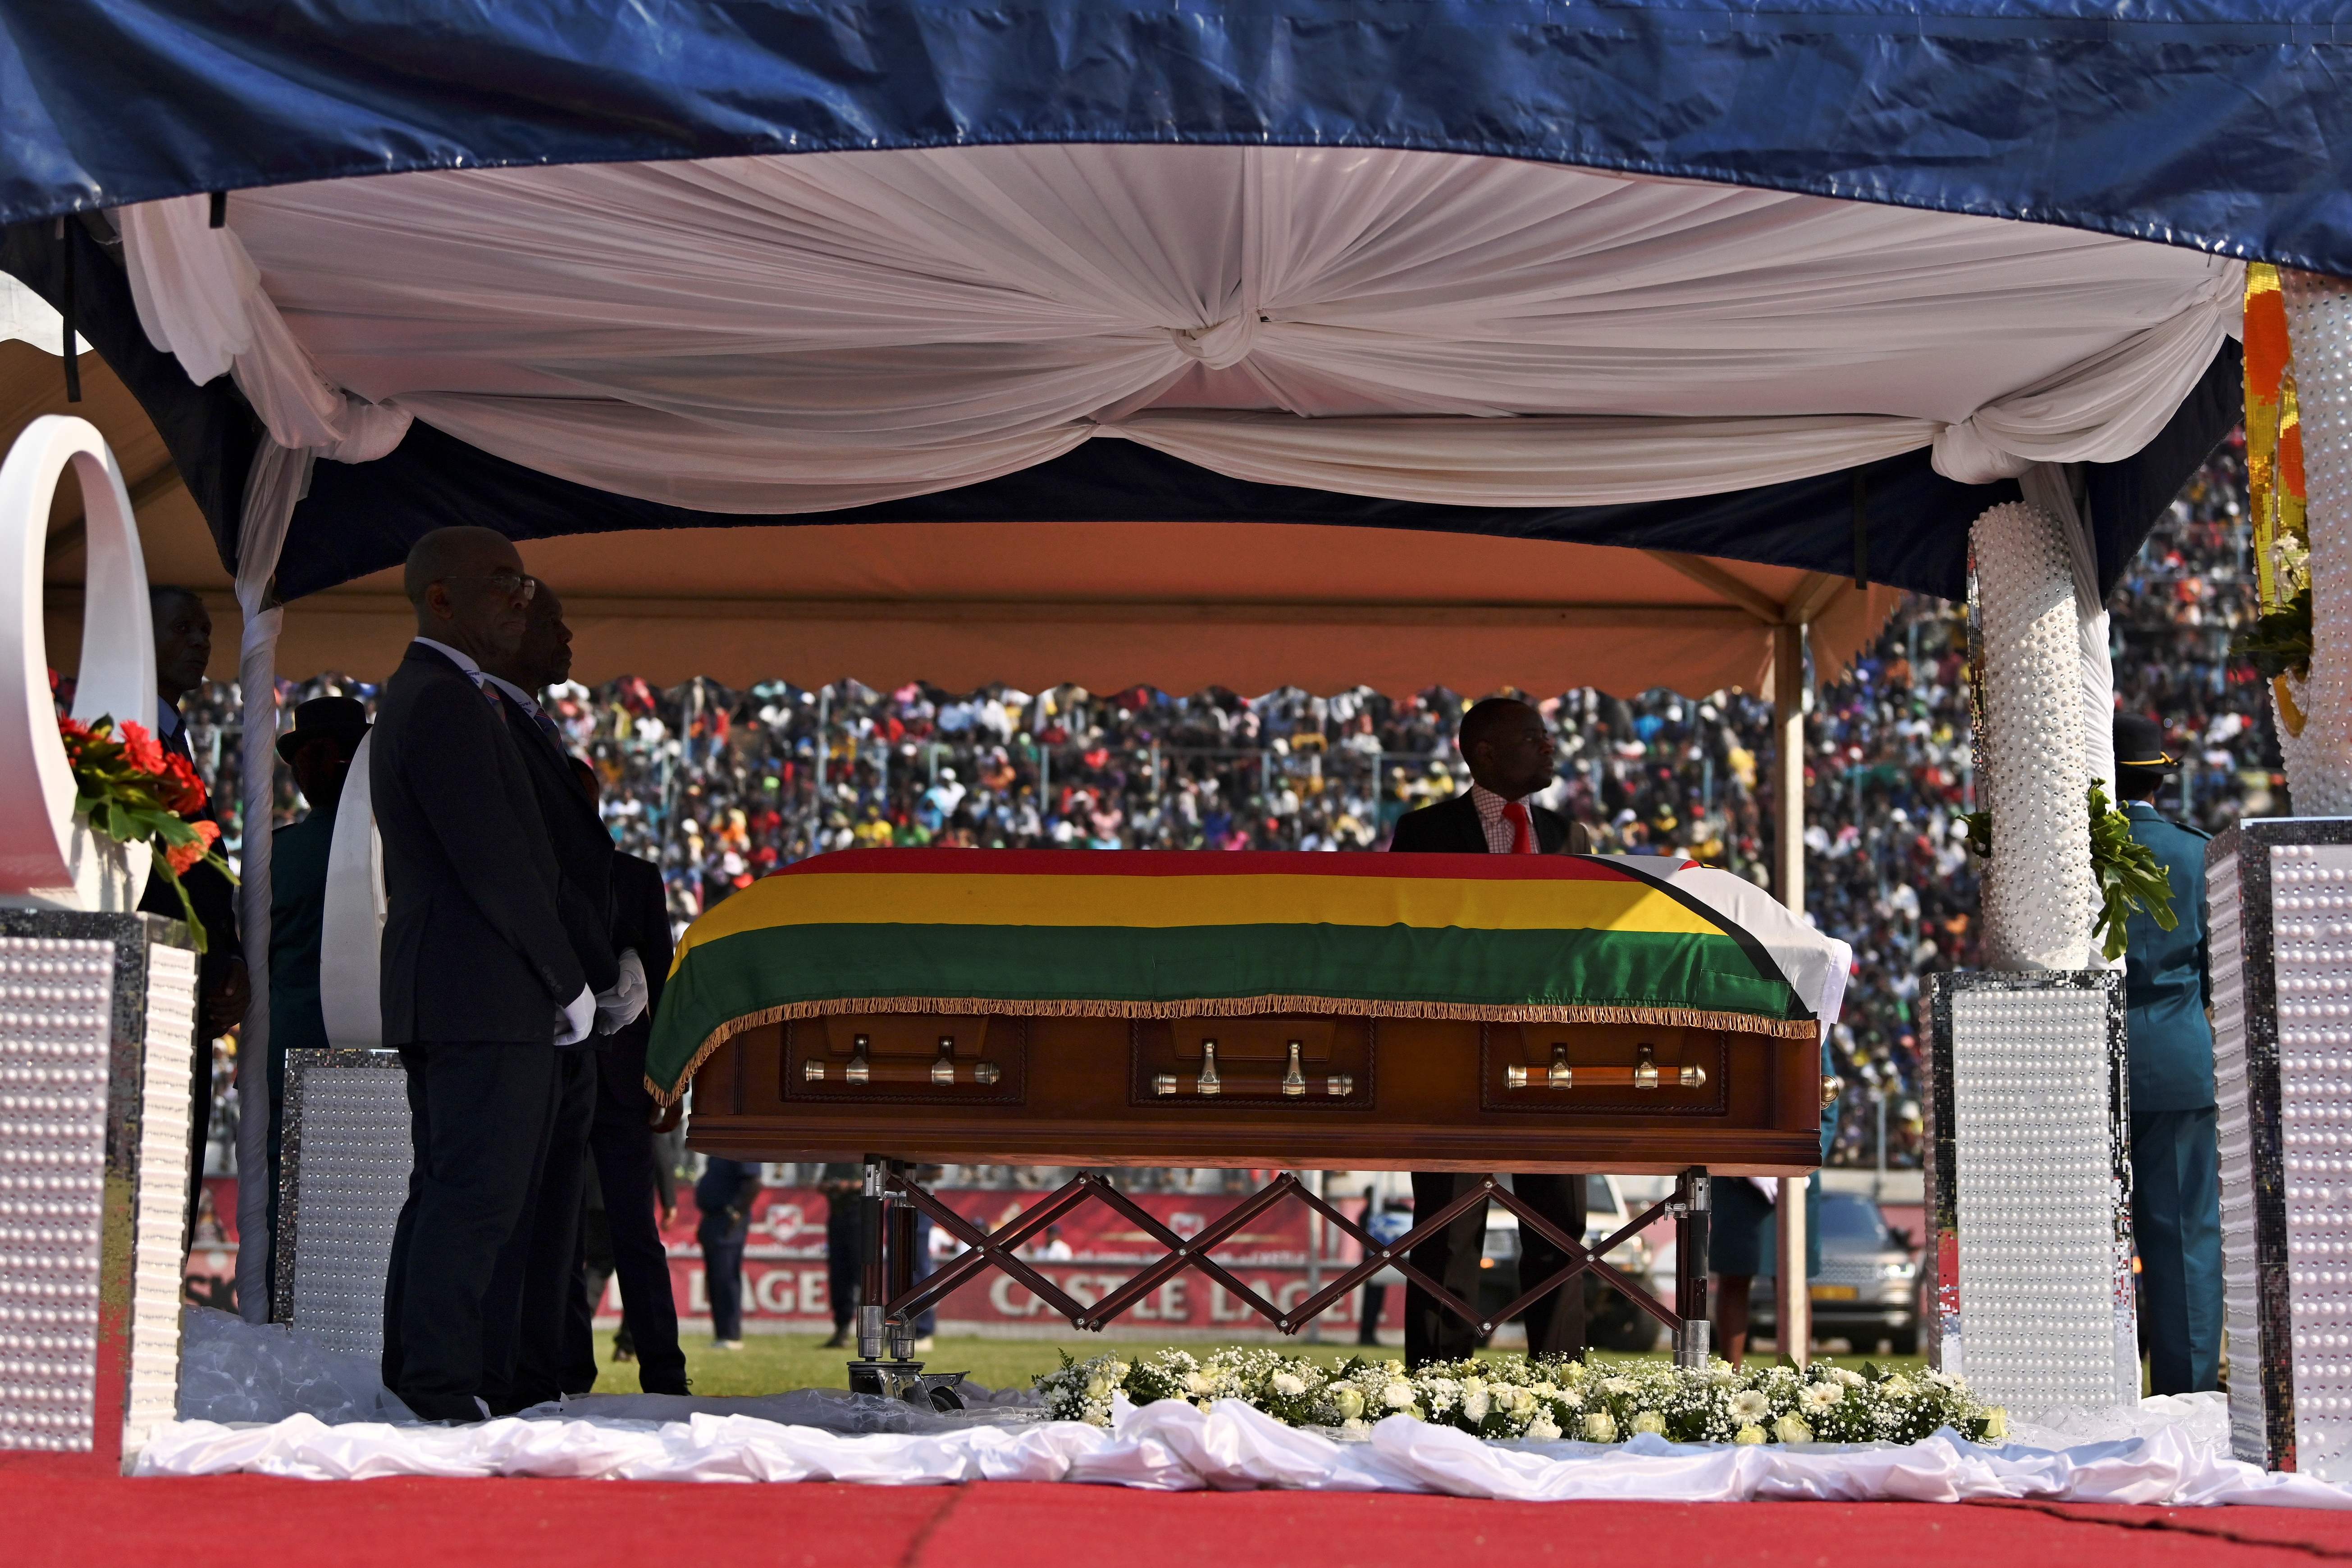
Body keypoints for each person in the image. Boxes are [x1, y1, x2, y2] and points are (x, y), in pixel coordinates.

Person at [374, 527, 605, 1422]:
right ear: (441, 599)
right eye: (502, 583)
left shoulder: (454, 696)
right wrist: (564, 981)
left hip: (475, 992)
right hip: (483, 994)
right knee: (473, 1203)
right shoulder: (440, 700)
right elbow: (495, 862)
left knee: (457, 1195)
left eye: (523, 580)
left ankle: (431, 1378)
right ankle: (437, 1387)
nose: (520, 597)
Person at [1387, 696, 1594, 1366]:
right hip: (1454, 1053)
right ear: (1483, 753)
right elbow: (1406, 942)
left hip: (1551, 1054)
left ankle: (1561, 1384)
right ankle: (1435, 1384)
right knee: (1448, 1226)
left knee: (1559, 1228)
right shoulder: (1423, 832)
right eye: (1534, 738)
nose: (1549, 748)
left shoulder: (1571, 837)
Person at [479, 584, 639, 1408]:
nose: (569, 635)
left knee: (553, 1227)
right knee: (513, 1213)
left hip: (568, 1019)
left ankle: (539, 1374)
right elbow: (517, 873)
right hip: (531, 1010)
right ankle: (495, 1375)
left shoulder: (530, 728)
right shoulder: (487, 724)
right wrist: (570, 984)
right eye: (551, 622)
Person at [563, 755, 688, 1395]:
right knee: (558, 1238)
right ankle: (563, 1372)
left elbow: (663, 980)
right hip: (555, 1075)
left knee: (634, 1236)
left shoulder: (636, 878)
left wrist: (669, 1081)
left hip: (618, 1085)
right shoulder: (535, 870)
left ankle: (663, 1372)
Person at [2113, 713, 2221, 1394]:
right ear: (2159, 778)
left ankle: (2094, 1392)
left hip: (2078, 1065)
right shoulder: (2194, 852)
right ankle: (2185, 1399)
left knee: (2075, 1244)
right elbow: (2219, 973)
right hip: (2177, 1061)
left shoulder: (2072, 848)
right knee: (2182, 1243)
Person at [142, 586, 247, 1242]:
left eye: (205, 629)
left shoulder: (173, 739)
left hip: (191, 998)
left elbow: (205, 877)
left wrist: (229, 961)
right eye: (183, 627)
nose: (201, 641)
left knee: (172, 1186)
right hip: (148, 995)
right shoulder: (115, 736)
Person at [263, 694, 370, 1304]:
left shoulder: (280, 853)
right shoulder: (400, 845)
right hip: (380, 1043)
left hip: (294, 1044)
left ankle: (287, 1326)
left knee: (292, 1208)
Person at [696, 1157, 760, 1349]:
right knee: (716, 1277)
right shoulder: (717, 1151)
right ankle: (722, 1333)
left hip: (727, 1219)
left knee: (726, 1274)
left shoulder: (741, 1147)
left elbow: (754, 1182)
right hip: (713, 1218)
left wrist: (737, 1211)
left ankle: (731, 1334)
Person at [1358, 1190, 1412, 1346]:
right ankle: (1367, 1335)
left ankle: (1367, 1335)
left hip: (1374, 1261)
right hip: (1379, 1261)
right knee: (1373, 1300)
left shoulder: (1370, 1214)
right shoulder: (1382, 1212)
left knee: (1372, 1300)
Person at [817, 1163, 863, 1349]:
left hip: (861, 1218)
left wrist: (850, 1186)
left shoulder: (865, 1157)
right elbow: (821, 1184)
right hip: (838, 1218)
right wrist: (832, 1187)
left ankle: (878, 1331)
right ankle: (841, 1330)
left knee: (865, 1278)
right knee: (839, 1277)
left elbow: (881, 1183)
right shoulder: (834, 1160)